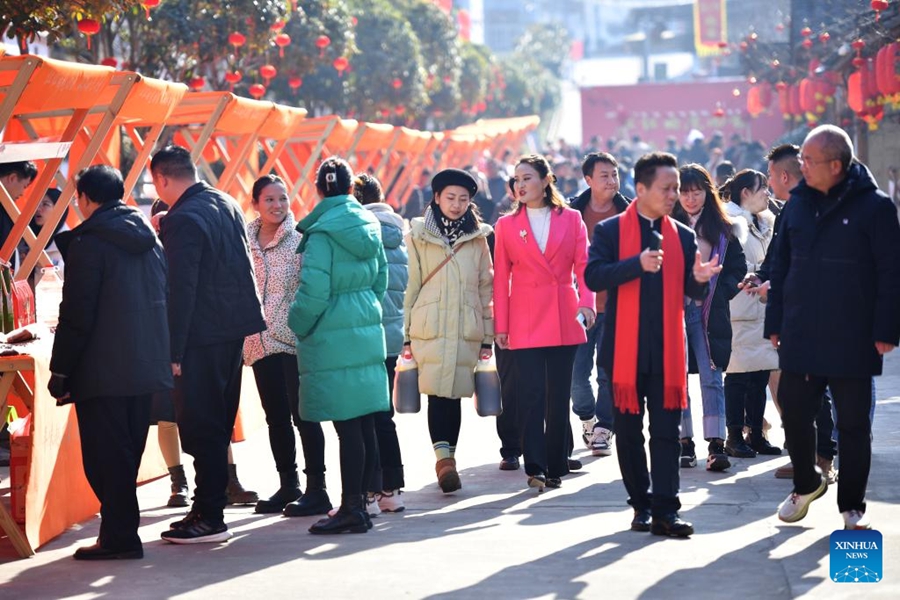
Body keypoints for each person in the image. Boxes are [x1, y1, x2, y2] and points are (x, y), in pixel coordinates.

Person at [765, 125, 900, 530]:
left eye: (809, 161)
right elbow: (780, 266)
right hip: (802, 328)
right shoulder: (797, 205)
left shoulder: (875, 208)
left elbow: (891, 272)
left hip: (854, 333)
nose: (801, 167)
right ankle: (807, 483)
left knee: (854, 425)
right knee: (794, 412)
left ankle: (852, 506)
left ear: (837, 165)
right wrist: (775, 322)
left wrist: (886, 330)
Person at [585, 152, 721, 537]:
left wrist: (699, 279)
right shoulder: (611, 231)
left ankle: (666, 509)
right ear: (641, 189)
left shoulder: (684, 234)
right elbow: (594, 277)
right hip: (623, 353)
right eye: (666, 188)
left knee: (666, 434)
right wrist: (636, 264)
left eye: (676, 188)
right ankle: (640, 505)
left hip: (667, 352)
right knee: (629, 435)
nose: (674, 195)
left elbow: (690, 290)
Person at [47, 165, 172, 560]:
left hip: (101, 369)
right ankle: (120, 534)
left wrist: (61, 368)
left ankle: (119, 538)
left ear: (85, 198)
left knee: (105, 457)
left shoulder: (89, 241)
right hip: (144, 363)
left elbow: (77, 312)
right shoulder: (149, 236)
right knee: (126, 452)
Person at [151, 146, 266, 544]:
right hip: (232, 328)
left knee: (201, 427)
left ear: (161, 179)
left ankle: (210, 514)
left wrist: (173, 351)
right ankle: (206, 507)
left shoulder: (182, 219)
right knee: (215, 423)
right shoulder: (225, 201)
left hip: (201, 336)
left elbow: (181, 289)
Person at [289, 157, 389, 534]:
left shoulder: (320, 234)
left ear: (319, 190)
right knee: (361, 423)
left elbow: (313, 293)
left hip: (330, 333)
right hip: (364, 326)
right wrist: (365, 309)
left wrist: (296, 324)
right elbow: (381, 279)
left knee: (346, 428)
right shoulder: (369, 224)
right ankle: (359, 505)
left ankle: (350, 509)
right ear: (350, 189)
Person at [494, 155, 594, 491]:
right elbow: (500, 280)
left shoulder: (572, 219)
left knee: (558, 395)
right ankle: (534, 466)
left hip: (564, 314)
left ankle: (555, 466)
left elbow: (584, 267)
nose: (520, 185)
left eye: (527, 178)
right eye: (516, 179)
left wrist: (587, 304)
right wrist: (501, 326)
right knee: (531, 395)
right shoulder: (505, 226)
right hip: (524, 317)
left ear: (546, 180)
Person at [243, 174, 331, 516]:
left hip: (295, 341)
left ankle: (317, 488)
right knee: (275, 418)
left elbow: (312, 288)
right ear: (255, 204)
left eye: (282, 198)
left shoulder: (301, 238)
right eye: (269, 199)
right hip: (258, 341)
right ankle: (288, 484)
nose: (278, 205)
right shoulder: (244, 241)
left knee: (304, 415)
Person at [404, 168, 494, 494]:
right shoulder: (416, 235)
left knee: (454, 394)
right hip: (428, 326)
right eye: (450, 198)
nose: (456, 205)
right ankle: (444, 462)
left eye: (463, 199)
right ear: (437, 198)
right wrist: (404, 332)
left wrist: (488, 334)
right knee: (437, 394)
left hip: (465, 327)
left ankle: (448, 459)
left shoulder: (479, 238)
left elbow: (486, 288)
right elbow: (409, 285)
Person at [754, 144, 837, 482]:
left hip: (817, 313)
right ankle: (807, 456)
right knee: (795, 390)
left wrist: (775, 285)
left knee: (813, 389)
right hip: (794, 314)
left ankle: (822, 458)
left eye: (772, 175)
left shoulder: (812, 207)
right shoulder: (791, 208)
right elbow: (778, 257)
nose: (770, 183)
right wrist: (760, 277)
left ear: (784, 175)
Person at [671, 164, 745, 472]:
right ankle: (684, 442)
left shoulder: (724, 229)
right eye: (684, 192)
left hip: (708, 313)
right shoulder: (666, 227)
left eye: (696, 192)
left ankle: (716, 443)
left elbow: (737, 269)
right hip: (675, 312)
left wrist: (720, 294)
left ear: (707, 192)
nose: (690, 199)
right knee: (676, 380)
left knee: (712, 378)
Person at [567, 152, 630, 457]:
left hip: (617, 307)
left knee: (608, 372)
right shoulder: (570, 213)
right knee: (577, 375)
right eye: (604, 175)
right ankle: (587, 417)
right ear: (588, 180)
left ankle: (605, 426)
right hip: (578, 308)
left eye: (615, 174)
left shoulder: (630, 213)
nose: (612, 181)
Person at [354, 172, 408, 513]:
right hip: (391, 336)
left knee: (363, 416)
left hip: (365, 333)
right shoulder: (398, 232)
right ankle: (393, 490)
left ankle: (371, 491)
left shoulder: (360, 232)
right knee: (383, 415)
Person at [719, 169, 780, 458]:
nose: (767, 194)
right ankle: (734, 435)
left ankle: (756, 433)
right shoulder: (730, 223)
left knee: (760, 373)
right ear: (746, 193)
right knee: (738, 374)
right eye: (762, 189)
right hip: (741, 305)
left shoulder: (767, 220)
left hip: (765, 304)